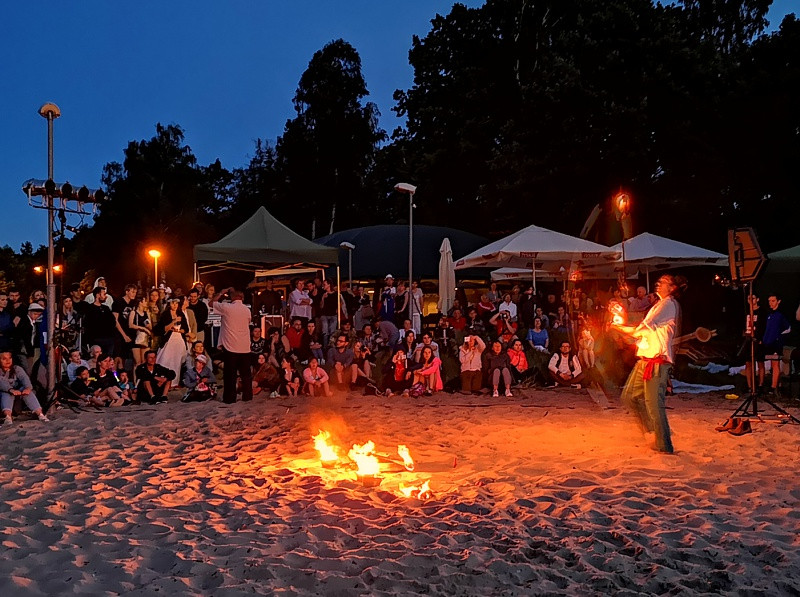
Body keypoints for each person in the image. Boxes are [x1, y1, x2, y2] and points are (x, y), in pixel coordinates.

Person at [613, 274, 685, 454]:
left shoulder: (668, 304)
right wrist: (619, 327)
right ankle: (652, 432)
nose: (658, 284)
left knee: (654, 405)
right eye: (659, 282)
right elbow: (642, 330)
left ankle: (664, 445)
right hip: (644, 360)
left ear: (672, 288)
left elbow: (643, 329)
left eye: (664, 282)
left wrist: (622, 329)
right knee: (630, 397)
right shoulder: (658, 305)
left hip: (657, 362)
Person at [212, 287, 253, 404]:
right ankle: (247, 396)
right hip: (245, 346)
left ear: (232, 297)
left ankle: (230, 398)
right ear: (242, 298)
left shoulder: (227, 308)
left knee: (230, 374)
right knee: (246, 375)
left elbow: (212, 303)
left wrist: (221, 292)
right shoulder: (247, 310)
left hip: (231, 346)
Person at [0, 351, 48, 425]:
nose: (8, 361)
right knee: (6, 393)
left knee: (26, 391)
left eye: (9, 358)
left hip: (17, 395)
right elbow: (2, 384)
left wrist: (28, 388)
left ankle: (40, 414)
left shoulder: (17, 368)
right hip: (5, 395)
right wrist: (11, 390)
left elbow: (25, 379)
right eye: (4, 359)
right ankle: (7, 416)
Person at [761, 294, 791, 395]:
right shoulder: (770, 315)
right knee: (772, 364)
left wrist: (778, 337)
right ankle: (773, 386)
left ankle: (774, 388)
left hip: (776, 343)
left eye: (773, 301)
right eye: (769, 301)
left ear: (778, 301)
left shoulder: (780, 315)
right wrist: (765, 339)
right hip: (768, 343)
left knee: (775, 363)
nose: (770, 303)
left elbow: (788, 328)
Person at [155, 298, 189, 383]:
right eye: (173, 303)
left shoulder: (180, 313)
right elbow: (162, 329)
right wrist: (174, 321)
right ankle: (163, 380)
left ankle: (174, 382)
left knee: (176, 361)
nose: (175, 305)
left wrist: (180, 330)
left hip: (178, 339)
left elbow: (186, 329)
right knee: (165, 359)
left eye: (176, 304)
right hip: (169, 340)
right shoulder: (165, 314)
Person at [84, 287, 117, 357]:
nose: (106, 296)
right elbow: (88, 325)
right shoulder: (89, 309)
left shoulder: (106, 308)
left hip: (108, 339)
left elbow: (113, 322)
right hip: (96, 339)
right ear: (98, 295)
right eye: (104, 294)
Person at [128, 296, 152, 369]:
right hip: (136, 338)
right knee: (137, 362)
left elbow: (150, 326)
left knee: (144, 361)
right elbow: (130, 325)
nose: (146, 303)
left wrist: (148, 326)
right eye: (144, 301)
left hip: (144, 338)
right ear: (140, 302)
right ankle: (136, 379)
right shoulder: (133, 312)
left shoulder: (146, 313)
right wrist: (142, 328)